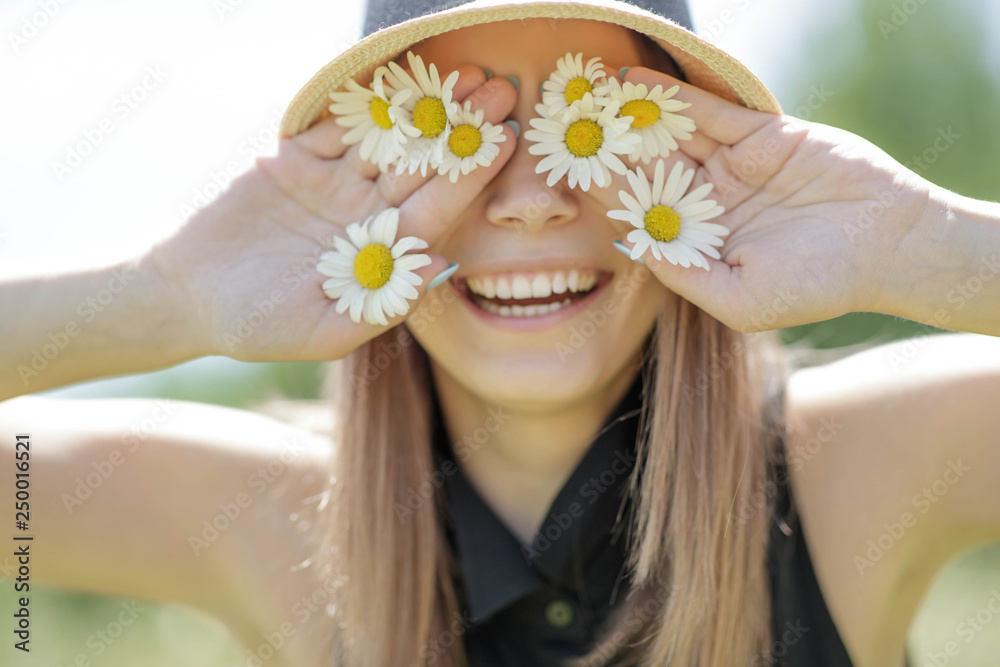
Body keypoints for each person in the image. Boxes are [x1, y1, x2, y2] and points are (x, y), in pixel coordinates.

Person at [2, 0, 999, 665]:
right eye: (452, 137)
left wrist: (918, 246)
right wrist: (163, 297)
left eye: (597, 120)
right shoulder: (268, 516)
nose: (527, 200)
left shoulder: (854, 466)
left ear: (695, 159)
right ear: (363, 189)